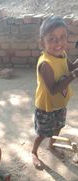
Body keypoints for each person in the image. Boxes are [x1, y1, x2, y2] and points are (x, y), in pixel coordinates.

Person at [31, 16, 78, 168]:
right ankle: (34, 152)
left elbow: (70, 67)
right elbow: (53, 89)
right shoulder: (45, 64)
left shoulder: (62, 55)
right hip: (46, 106)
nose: (58, 43)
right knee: (42, 133)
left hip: (60, 104)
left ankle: (52, 144)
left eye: (62, 37)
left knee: (59, 126)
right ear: (42, 42)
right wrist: (73, 75)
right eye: (52, 39)